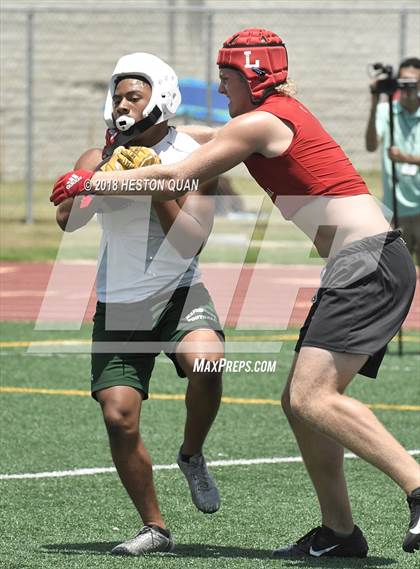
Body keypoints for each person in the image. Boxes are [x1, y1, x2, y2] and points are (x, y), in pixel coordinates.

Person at [51, 29, 420, 557]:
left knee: (312, 397)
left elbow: (176, 172)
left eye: (226, 80)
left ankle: (416, 486)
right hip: (358, 261)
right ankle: (339, 533)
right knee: (301, 404)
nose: (222, 91)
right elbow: (191, 134)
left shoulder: (261, 121)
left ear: (254, 78)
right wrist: (137, 133)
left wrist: (89, 182)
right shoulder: (264, 120)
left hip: (368, 260)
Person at [54, 53, 225, 556]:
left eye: (135, 95)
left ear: (162, 97)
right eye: (119, 96)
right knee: (118, 417)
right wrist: (90, 182)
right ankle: (155, 528)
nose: (123, 105)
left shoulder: (193, 155)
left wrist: (152, 182)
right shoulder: (99, 154)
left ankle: (191, 454)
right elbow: (69, 221)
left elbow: (190, 240)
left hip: (177, 292)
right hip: (120, 302)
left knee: (209, 362)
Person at [365, 57, 420, 266]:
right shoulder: (385, 111)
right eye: (403, 82)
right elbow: (371, 145)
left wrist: (406, 159)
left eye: (413, 82)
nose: (407, 88)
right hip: (395, 209)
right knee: (395, 276)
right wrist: (374, 105)